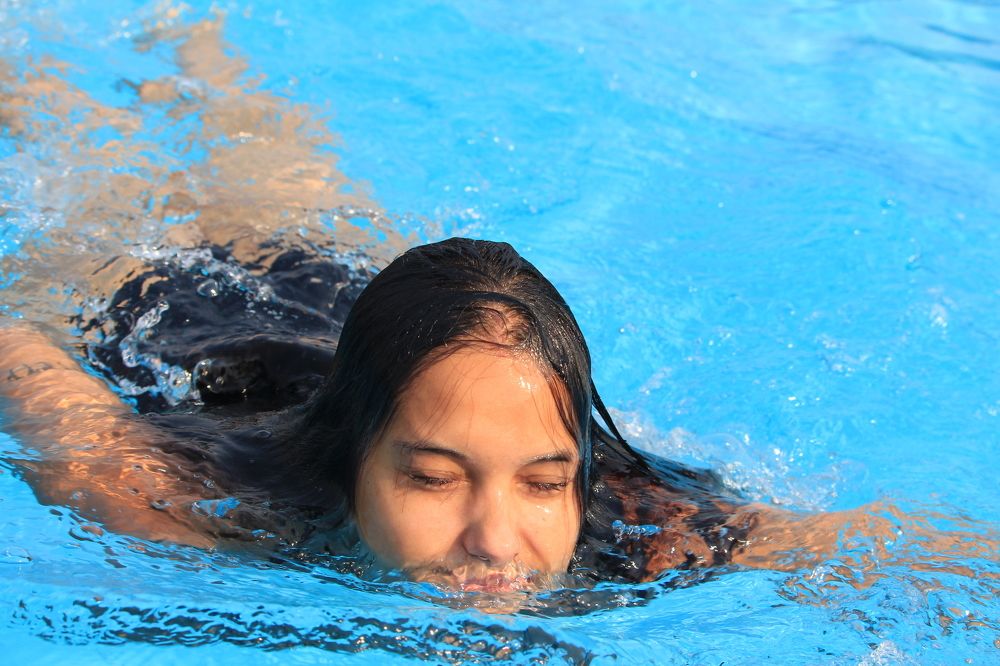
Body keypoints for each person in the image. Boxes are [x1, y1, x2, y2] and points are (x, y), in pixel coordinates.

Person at [0, 237, 783, 590]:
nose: (495, 541)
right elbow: (25, 363)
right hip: (183, 312)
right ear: (351, 464)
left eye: (545, 484)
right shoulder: (206, 508)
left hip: (383, 320)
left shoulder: (647, 527)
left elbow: (847, 553)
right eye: (434, 478)